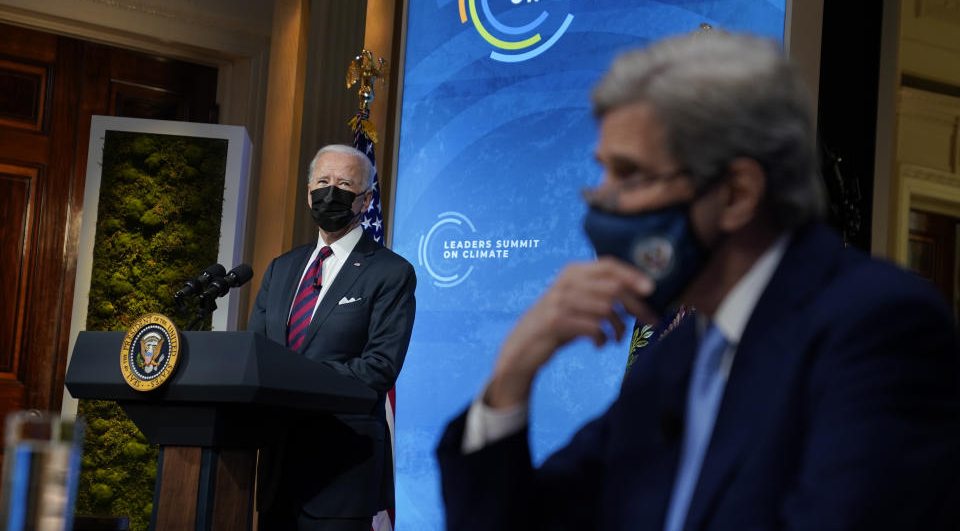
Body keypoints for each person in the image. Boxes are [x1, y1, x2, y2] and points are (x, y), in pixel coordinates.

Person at [436, 32, 960, 530]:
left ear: (736, 194)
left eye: (631, 175)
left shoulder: (877, 324)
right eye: (604, 173)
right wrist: (514, 371)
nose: (603, 200)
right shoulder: (678, 355)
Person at [249, 144, 416, 531]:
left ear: (365, 199)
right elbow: (257, 355)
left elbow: (380, 367)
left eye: (344, 184)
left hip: (341, 471)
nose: (330, 192)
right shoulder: (281, 268)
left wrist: (296, 377)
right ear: (308, 192)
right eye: (323, 181)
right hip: (277, 469)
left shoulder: (391, 272)